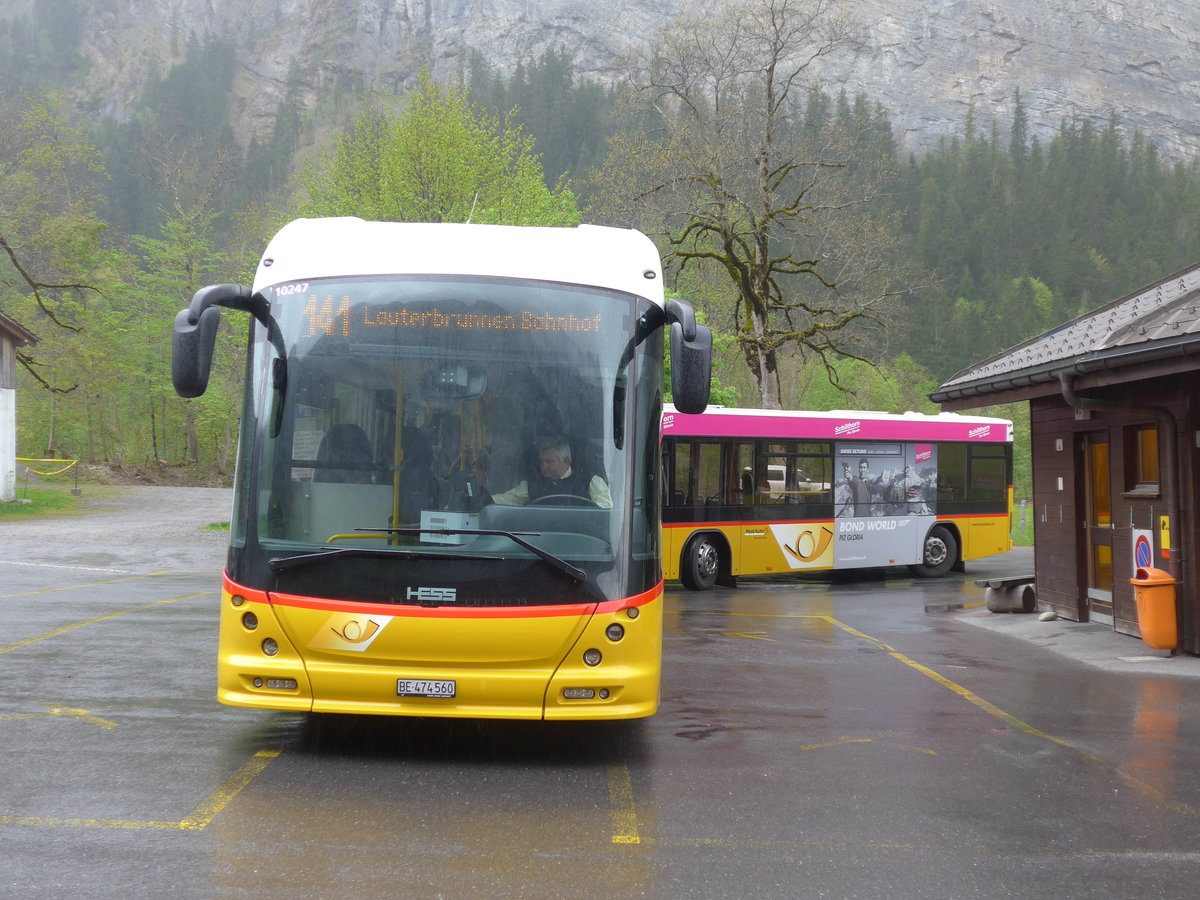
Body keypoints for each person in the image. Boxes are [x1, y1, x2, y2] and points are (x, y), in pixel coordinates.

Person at [488, 435, 612, 508]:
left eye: (549, 461)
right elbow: (504, 500)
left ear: (566, 461)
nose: (544, 466)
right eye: (541, 462)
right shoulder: (532, 485)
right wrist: (483, 500)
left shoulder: (591, 481)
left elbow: (604, 509)